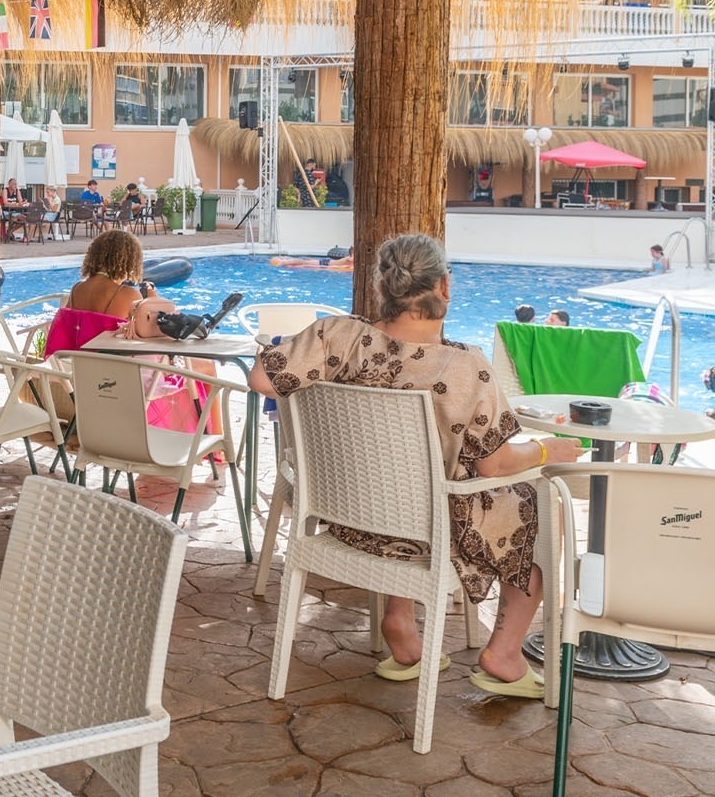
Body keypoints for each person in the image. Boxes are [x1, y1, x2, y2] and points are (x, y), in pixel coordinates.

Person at [249, 233, 584, 699]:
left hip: (346, 519)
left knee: (407, 480)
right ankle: (503, 653)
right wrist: (548, 451)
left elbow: (262, 377)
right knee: (541, 512)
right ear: (445, 286)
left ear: (382, 288)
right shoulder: (466, 368)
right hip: (428, 532)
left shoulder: (338, 335)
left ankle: (400, 620)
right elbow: (496, 464)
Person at [44, 229, 146, 353]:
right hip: (115, 365)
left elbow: (69, 329)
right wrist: (152, 299)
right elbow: (146, 333)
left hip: (79, 362)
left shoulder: (77, 289)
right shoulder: (129, 294)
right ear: (129, 261)